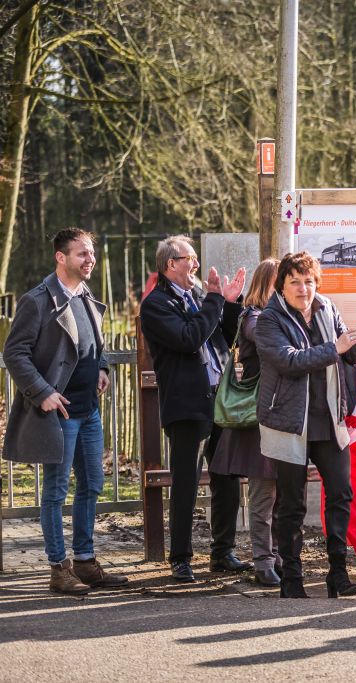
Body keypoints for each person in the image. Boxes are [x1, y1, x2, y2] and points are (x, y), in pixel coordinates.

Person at [2, 228, 129, 594]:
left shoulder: (86, 295)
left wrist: (102, 366)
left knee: (92, 484)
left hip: (88, 411)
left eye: (91, 253)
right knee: (56, 492)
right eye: (81, 254)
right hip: (58, 413)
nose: (89, 260)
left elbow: (93, 344)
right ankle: (59, 568)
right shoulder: (37, 300)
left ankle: (86, 562)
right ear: (61, 257)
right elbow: (15, 353)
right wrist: (42, 392)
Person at [255, 251, 356, 598]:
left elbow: (348, 354)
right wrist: (334, 348)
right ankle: (292, 579)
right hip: (289, 422)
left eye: (308, 281)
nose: (302, 288)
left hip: (328, 417)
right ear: (282, 285)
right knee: (292, 503)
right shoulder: (269, 319)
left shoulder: (327, 308)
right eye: (294, 281)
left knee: (341, 492)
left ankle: (337, 573)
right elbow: (288, 361)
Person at [139, 235, 250, 582]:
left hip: (219, 400)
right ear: (172, 264)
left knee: (227, 475)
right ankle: (181, 558)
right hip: (187, 405)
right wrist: (215, 300)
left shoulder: (201, 297)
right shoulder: (156, 304)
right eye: (191, 258)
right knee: (186, 482)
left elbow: (222, 338)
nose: (197, 265)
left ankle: (222, 552)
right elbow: (189, 338)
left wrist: (228, 305)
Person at [209, 258, 282, 587]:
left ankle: (276, 556)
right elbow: (271, 344)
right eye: (286, 281)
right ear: (271, 284)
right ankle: (263, 561)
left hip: (282, 416)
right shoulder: (254, 317)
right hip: (258, 419)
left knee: (281, 493)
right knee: (263, 494)